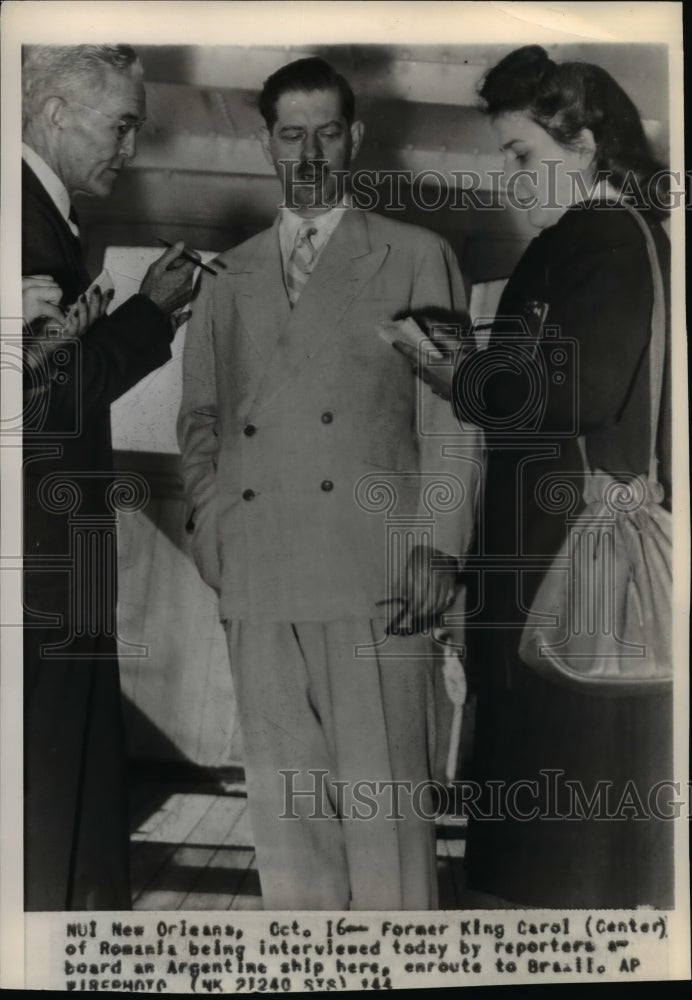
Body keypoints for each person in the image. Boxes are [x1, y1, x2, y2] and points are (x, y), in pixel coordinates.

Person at [178, 56, 481, 910]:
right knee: (291, 831)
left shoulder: (416, 256)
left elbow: (454, 417)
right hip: (260, 575)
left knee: (387, 827)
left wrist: (438, 546)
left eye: (325, 133)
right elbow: (200, 418)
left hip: (375, 576)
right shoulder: (227, 276)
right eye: (289, 134)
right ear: (267, 143)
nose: (308, 153)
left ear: (355, 138)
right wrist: (212, 532)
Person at [395, 45, 673, 908]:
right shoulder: (592, 240)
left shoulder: (607, 239)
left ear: (584, 146)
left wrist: (458, 378)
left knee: (556, 846)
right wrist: (473, 356)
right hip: (547, 568)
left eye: (523, 155)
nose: (513, 177)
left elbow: (577, 389)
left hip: (564, 572)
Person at [21, 44, 196, 910]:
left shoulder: (48, 218)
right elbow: (48, 393)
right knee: (49, 792)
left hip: (53, 557)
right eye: (119, 124)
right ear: (54, 112)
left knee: (71, 779)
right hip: (35, 567)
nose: (130, 148)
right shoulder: (20, 220)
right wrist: (152, 311)